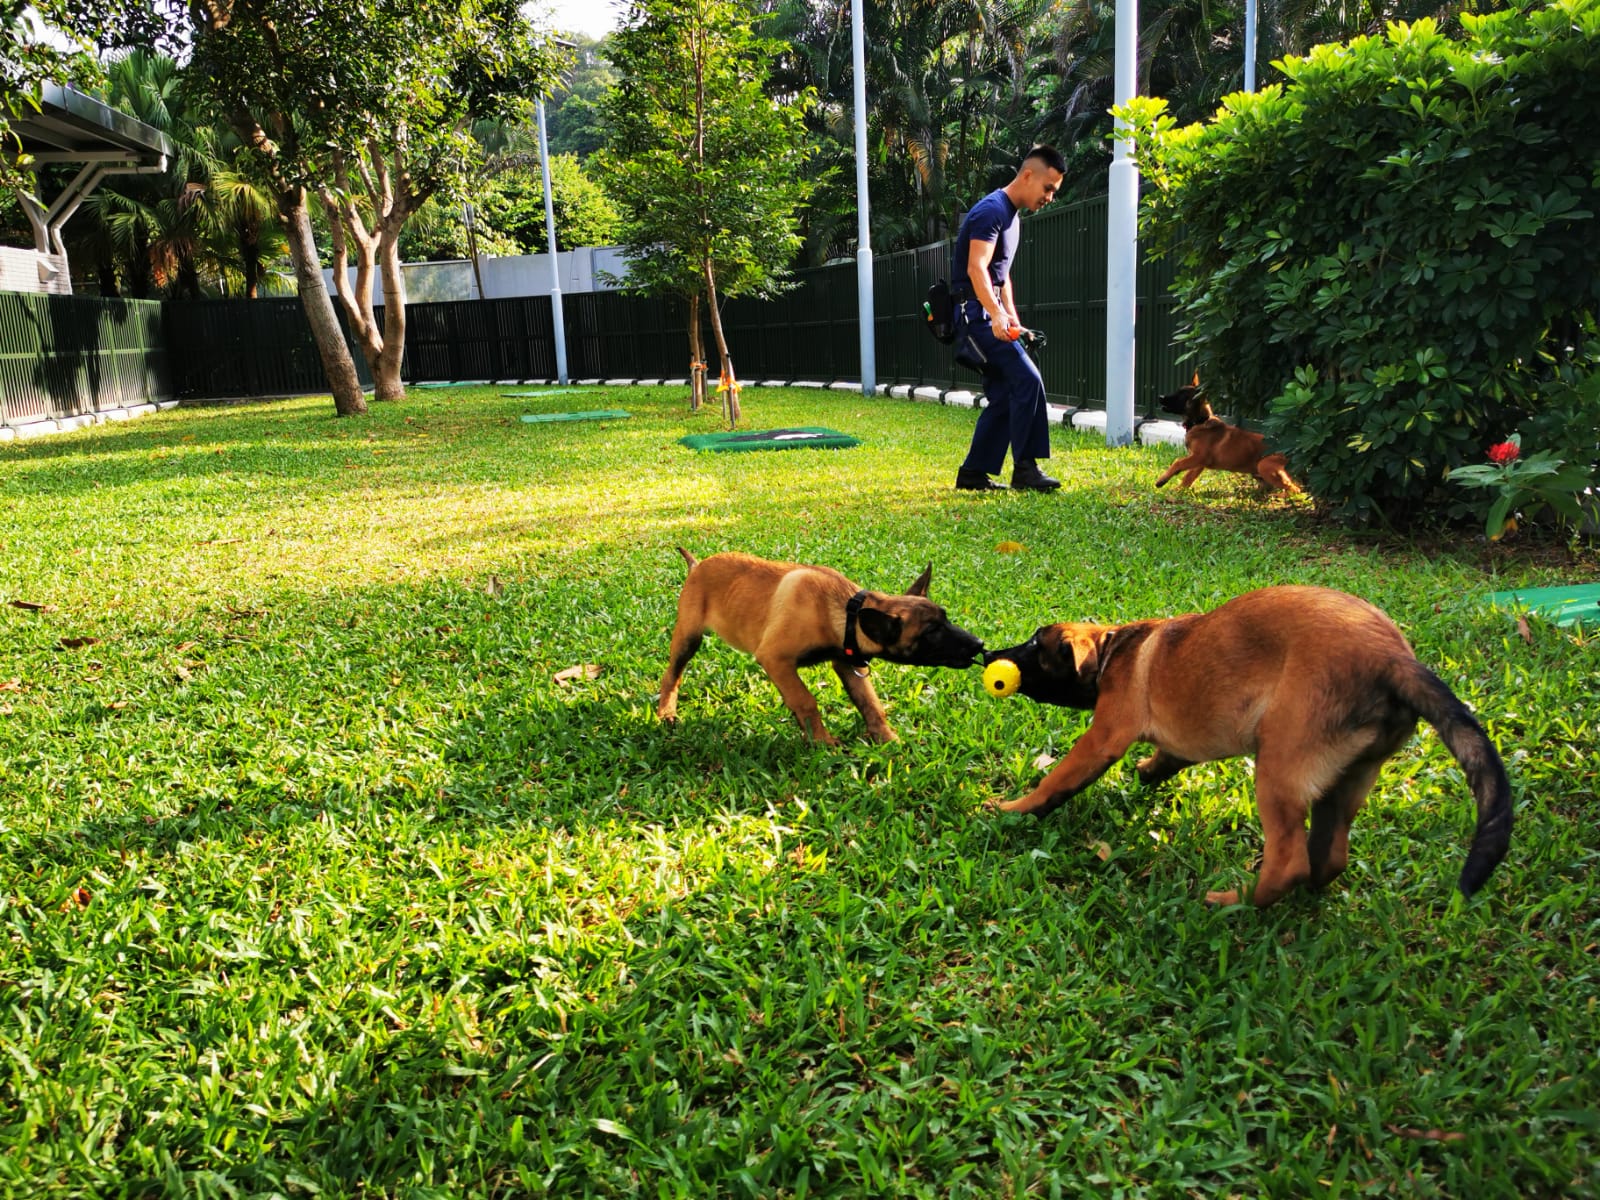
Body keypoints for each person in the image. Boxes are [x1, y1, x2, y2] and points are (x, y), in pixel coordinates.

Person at [950, 144, 1067, 492]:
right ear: (1028, 175)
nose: (1050, 197)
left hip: (988, 314)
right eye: (1048, 188)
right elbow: (977, 268)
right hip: (972, 317)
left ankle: (972, 474)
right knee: (1027, 379)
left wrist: (1014, 322)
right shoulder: (991, 211)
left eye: (1054, 192)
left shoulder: (1012, 218)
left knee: (1003, 394)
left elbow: (1002, 278)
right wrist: (996, 315)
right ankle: (1026, 470)